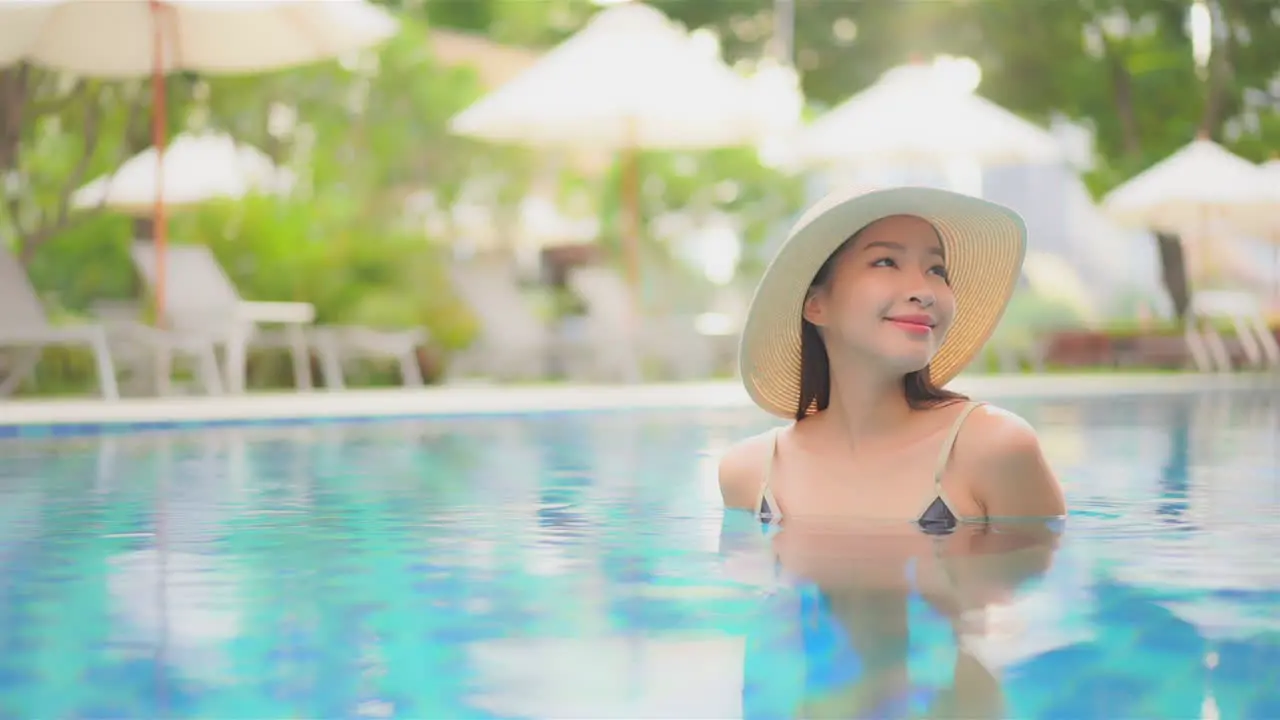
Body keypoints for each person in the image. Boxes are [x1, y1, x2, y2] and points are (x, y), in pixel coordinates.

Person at [719, 185, 1066, 529]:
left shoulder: (994, 448)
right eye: (886, 261)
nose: (924, 292)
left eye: (936, 270)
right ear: (816, 304)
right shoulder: (749, 473)